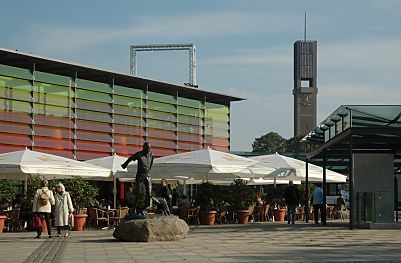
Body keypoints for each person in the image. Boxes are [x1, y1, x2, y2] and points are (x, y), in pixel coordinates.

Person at [121, 142, 154, 214]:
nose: (148, 150)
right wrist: (125, 164)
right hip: (140, 175)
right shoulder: (139, 154)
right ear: (144, 148)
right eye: (147, 148)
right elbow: (130, 158)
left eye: (149, 148)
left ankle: (144, 208)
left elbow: (151, 164)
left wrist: (147, 171)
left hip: (147, 175)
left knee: (149, 193)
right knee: (138, 194)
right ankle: (134, 208)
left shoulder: (151, 155)